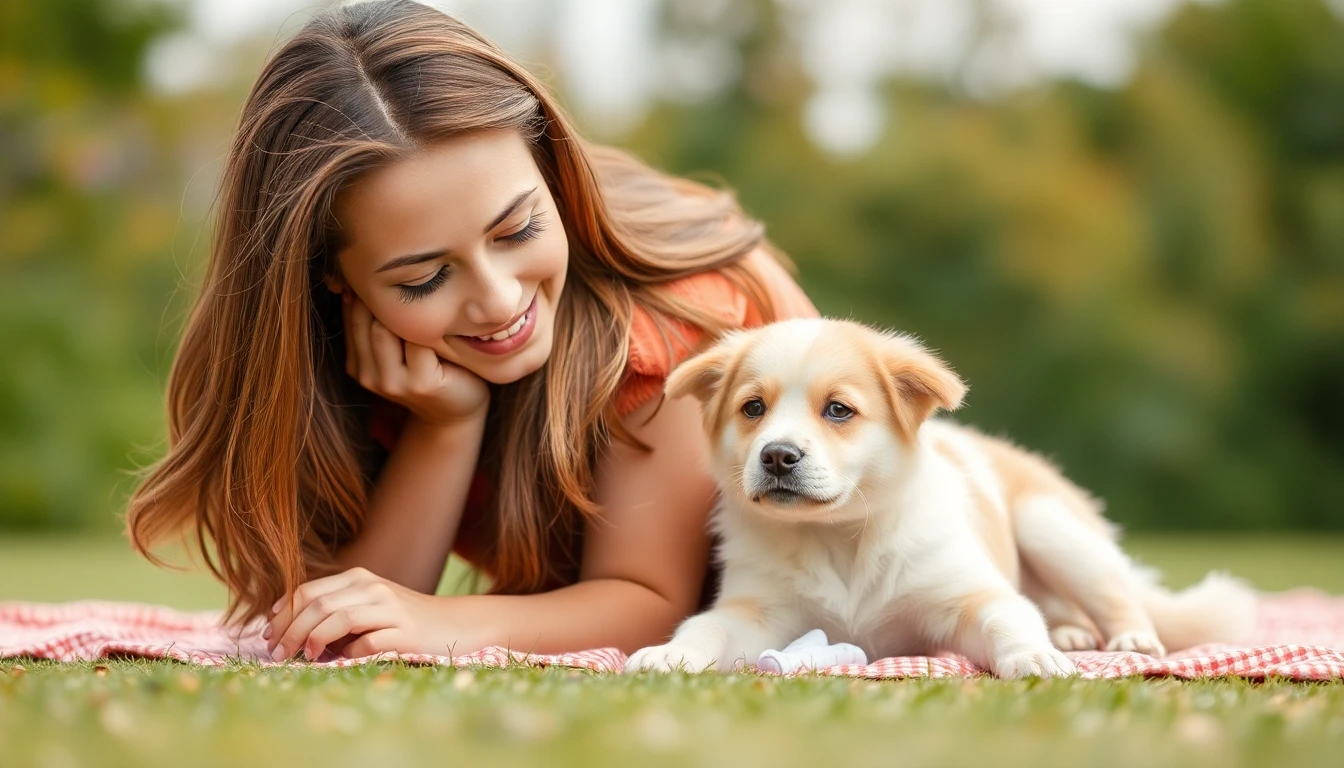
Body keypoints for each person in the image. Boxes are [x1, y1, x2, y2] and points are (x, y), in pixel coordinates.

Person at [125, 0, 817, 662]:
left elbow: (650, 605)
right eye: (423, 279)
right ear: (332, 281)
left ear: (551, 171)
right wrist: (446, 427)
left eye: (517, 230)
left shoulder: (674, 323)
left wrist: (440, 620)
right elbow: (331, 620)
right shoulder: (364, 366)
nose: (497, 300)